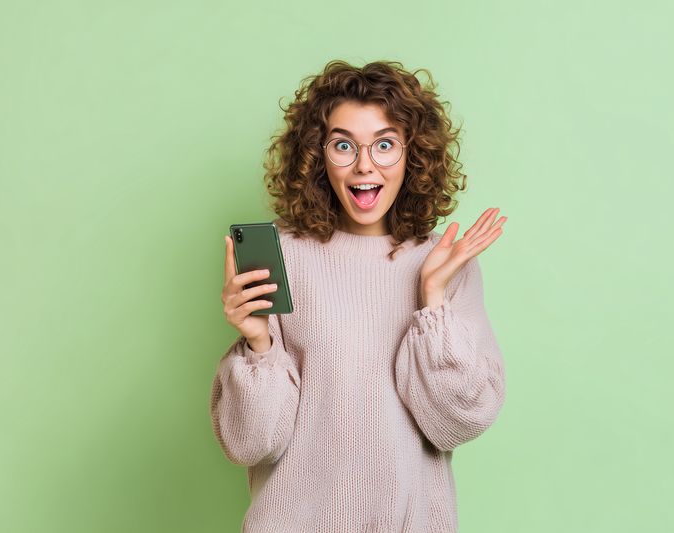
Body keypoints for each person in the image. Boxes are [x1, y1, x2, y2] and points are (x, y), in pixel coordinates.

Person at [212, 59, 508, 532]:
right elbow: (251, 444)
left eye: (385, 144)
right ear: (318, 156)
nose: (364, 164)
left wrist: (432, 300)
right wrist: (258, 344)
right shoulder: (282, 257)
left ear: (414, 154)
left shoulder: (446, 264)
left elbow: (457, 421)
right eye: (344, 145)